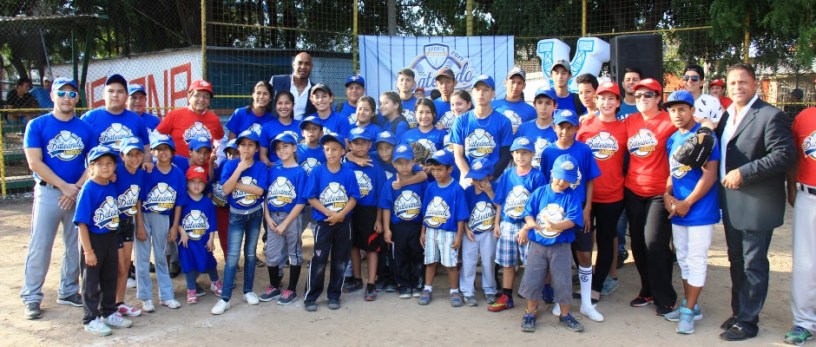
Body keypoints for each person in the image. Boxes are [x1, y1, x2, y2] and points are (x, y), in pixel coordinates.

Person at [716, 63, 795, 341]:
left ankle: (748, 322)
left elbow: (784, 155)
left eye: (743, 82)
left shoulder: (771, 116)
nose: (737, 87)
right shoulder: (727, 115)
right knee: (736, 259)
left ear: (755, 84)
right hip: (731, 200)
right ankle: (740, 312)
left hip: (757, 202)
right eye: (732, 83)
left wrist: (744, 172)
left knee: (753, 263)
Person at [21, 77, 94, 320]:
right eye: (61, 93)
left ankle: (69, 290)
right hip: (49, 192)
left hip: (76, 193)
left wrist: (76, 187)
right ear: (52, 96)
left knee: (75, 245)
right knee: (40, 245)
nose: (66, 98)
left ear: (77, 99)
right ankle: (32, 296)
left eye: (72, 94)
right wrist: (64, 187)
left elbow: (93, 162)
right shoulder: (37, 125)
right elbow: (34, 162)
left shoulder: (84, 128)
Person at [661, 90, 721, 334]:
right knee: (684, 258)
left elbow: (710, 175)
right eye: (673, 110)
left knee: (696, 260)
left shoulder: (705, 137)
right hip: (678, 209)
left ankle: (689, 310)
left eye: (682, 109)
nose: (677, 114)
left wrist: (688, 202)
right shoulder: (673, 139)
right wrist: (667, 195)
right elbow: (672, 172)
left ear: (692, 110)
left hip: (700, 210)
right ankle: (690, 305)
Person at [540, 109, 603, 322]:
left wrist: (587, 209)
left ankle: (586, 303)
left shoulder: (583, 150)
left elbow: (590, 180)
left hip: (579, 209)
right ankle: (561, 300)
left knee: (584, 254)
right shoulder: (548, 152)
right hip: (556, 210)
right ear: (554, 127)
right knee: (560, 256)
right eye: (561, 127)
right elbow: (546, 183)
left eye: (570, 127)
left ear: (577, 128)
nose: (565, 132)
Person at [623, 78, 677, 315]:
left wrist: (707, 123)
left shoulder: (669, 121)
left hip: (659, 192)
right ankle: (647, 290)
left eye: (647, 95)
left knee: (654, 243)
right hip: (633, 190)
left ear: (658, 98)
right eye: (638, 96)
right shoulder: (630, 121)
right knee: (637, 243)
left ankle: (665, 296)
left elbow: (694, 128)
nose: (642, 99)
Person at [517, 154, 586, 333]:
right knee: (532, 279)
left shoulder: (572, 196)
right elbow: (528, 212)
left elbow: (572, 220)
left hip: (560, 246)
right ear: (552, 173)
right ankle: (530, 312)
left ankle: (565, 314)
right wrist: (530, 224)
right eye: (560, 176)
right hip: (538, 245)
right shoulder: (540, 192)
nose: (562, 182)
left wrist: (556, 226)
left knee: (563, 281)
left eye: (567, 179)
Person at [575, 82, 627, 299]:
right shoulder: (585, 125)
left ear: (618, 102)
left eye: (611, 98)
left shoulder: (625, 128)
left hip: (612, 196)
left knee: (606, 241)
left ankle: (596, 287)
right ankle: (585, 281)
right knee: (580, 240)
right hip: (585, 195)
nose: (607, 102)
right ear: (595, 101)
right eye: (602, 98)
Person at [75, 145, 133, 336]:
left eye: (109, 163)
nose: (105, 167)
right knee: (91, 281)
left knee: (110, 277)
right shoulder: (88, 189)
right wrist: (88, 251)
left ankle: (108, 312)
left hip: (110, 236)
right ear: (91, 167)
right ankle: (90, 318)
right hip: (93, 240)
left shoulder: (110, 185)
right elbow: (82, 223)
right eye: (100, 164)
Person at [211, 130, 269, 315]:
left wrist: (236, 184)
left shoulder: (260, 166)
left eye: (251, 145)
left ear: (256, 148)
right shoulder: (230, 164)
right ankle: (225, 298)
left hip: (255, 214)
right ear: (238, 147)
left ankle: (247, 291)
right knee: (233, 256)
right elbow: (225, 190)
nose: (246, 148)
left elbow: (260, 191)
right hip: (236, 215)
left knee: (250, 254)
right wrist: (239, 169)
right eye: (243, 145)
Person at [303, 132, 360, 312]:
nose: (331, 153)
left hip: (344, 222)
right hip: (324, 222)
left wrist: (341, 214)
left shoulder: (348, 173)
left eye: (335, 149)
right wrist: (330, 213)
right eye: (327, 149)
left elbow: (354, 198)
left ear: (343, 151)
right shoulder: (317, 172)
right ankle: (311, 296)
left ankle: (334, 295)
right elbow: (311, 198)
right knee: (319, 259)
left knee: (340, 259)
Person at [488, 136, 546, 312]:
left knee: (531, 263)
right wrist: (497, 223)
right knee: (508, 262)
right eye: (517, 153)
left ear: (532, 154)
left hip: (528, 225)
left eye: (525, 153)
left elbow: (540, 206)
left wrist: (528, 228)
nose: (521, 156)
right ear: (512, 154)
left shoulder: (537, 176)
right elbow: (501, 201)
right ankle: (507, 296)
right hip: (508, 223)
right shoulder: (508, 174)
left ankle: (530, 298)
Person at [137, 134, 186, 312]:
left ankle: (166, 296)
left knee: (161, 256)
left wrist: (174, 226)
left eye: (166, 148)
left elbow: (179, 202)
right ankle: (145, 297)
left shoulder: (177, 173)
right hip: (144, 215)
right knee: (142, 258)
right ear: (153, 152)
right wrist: (140, 225)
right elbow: (139, 200)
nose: (162, 152)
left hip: (164, 217)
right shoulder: (148, 170)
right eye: (158, 149)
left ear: (172, 152)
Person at [418, 150, 468, 306]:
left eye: (439, 169)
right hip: (431, 230)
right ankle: (427, 288)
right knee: (430, 261)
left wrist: (459, 236)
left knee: (450, 264)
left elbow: (461, 215)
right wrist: (423, 231)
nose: (435, 173)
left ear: (450, 169)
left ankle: (454, 290)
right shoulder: (430, 187)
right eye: (433, 169)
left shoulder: (456, 189)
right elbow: (426, 211)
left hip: (449, 232)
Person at [262, 133, 307, 305]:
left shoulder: (299, 172)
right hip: (273, 217)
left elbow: (301, 201)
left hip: (291, 218)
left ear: (294, 147)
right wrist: (267, 217)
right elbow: (266, 195)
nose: (282, 150)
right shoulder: (274, 169)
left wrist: (286, 223)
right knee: (271, 254)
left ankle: (291, 289)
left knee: (293, 253)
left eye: (286, 146)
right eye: (278, 148)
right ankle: (274, 285)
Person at [342, 128, 387, 301]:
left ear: (370, 144)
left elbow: (380, 195)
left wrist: (379, 219)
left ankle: (371, 283)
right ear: (350, 145)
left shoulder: (376, 167)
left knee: (371, 247)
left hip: (369, 211)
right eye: (356, 143)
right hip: (350, 210)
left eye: (363, 143)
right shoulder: (346, 165)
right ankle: (357, 278)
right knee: (353, 245)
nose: (360, 146)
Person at [785, 106, 816, 345]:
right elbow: (794, 156)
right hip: (809, 195)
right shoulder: (805, 117)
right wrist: (792, 187)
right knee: (806, 263)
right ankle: (804, 322)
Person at [381, 144, 428, 298]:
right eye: (399, 163)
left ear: (413, 161)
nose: (404, 166)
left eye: (407, 162)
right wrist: (387, 229)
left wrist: (424, 228)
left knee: (417, 254)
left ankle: (417, 282)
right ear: (394, 164)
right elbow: (386, 207)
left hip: (416, 225)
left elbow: (426, 206)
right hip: (398, 227)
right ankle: (404, 284)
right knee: (399, 256)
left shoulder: (421, 183)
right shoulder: (390, 184)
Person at [450, 75, 514, 185]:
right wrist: (469, 177)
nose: (481, 93)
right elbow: (458, 155)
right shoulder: (461, 121)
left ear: (493, 94)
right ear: (472, 93)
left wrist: (490, 178)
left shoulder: (503, 122)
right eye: (477, 89)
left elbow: (505, 155)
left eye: (486, 90)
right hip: (468, 177)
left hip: (494, 178)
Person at [112, 137, 147, 318]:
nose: (134, 158)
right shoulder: (115, 171)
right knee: (115, 265)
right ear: (122, 156)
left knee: (125, 265)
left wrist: (140, 224)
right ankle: (108, 305)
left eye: (138, 154)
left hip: (128, 222)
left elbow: (138, 200)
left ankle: (119, 302)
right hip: (112, 223)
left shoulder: (140, 173)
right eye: (130, 154)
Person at [81, 74, 151, 158]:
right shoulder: (89, 118)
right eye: (111, 91)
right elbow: (81, 150)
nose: (115, 95)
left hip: (130, 166)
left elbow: (146, 148)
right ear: (103, 95)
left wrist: (147, 162)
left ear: (126, 96)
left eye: (120, 92)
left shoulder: (137, 119)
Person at [459, 157, 498, 306]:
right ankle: (467, 291)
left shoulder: (495, 188)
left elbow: (499, 206)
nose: (477, 182)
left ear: (489, 177)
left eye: (481, 178)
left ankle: (490, 289)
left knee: (488, 260)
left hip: (489, 231)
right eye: (474, 178)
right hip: (471, 231)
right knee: (469, 261)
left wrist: (489, 191)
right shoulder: (468, 191)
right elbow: (464, 212)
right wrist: (466, 229)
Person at [156, 80, 224, 157]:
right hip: (178, 163)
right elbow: (157, 137)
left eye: (206, 96)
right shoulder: (174, 115)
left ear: (210, 100)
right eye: (197, 95)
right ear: (189, 96)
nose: (201, 99)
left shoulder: (214, 119)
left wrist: (217, 161)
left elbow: (221, 141)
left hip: (204, 163)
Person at [517, 88, 559, 170]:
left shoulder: (560, 130)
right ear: (534, 105)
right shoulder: (523, 128)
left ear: (555, 106)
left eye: (548, 103)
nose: (543, 107)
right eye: (540, 102)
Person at [270, 52, 316, 120]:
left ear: (311, 67)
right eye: (300, 63)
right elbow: (264, 102)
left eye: (307, 64)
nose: (303, 67)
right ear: (293, 64)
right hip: (276, 126)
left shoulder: (314, 90)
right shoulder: (276, 81)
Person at [260, 91, 301, 166]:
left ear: (293, 105)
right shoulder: (267, 127)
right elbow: (262, 155)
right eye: (280, 103)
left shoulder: (301, 126)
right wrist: (274, 167)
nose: (283, 106)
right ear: (275, 106)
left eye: (287, 103)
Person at [212, 140, 237, 259]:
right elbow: (213, 179)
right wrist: (211, 163)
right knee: (224, 233)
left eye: (235, 153)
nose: (231, 156)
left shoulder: (245, 167)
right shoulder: (224, 163)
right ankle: (228, 258)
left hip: (237, 206)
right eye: (229, 153)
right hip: (222, 205)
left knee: (237, 234)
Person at [492, 67, 536, 134]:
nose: (515, 86)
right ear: (505, 83)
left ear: (524, 85)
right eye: (512, 82)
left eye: (519, 83)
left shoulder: (531, 111)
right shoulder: (492, 106)